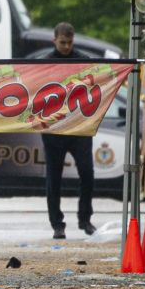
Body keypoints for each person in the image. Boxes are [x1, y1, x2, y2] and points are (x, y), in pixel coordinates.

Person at [41, 22, 96, 239]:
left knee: (88, 173)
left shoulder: (83, 61)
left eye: (69, 43)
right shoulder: (44, 64)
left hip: (78, 127)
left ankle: (85, 219)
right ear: (54, 40)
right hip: (54, 130)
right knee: (54, 178)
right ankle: (57, 224)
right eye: (62, 42)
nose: (66, 46)